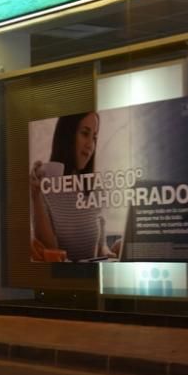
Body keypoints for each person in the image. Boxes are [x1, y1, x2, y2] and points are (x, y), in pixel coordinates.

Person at [30, 111, 120, 262]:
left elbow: (100, 246)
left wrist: (111, 252)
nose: (90, 144)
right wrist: (35, 195)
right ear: (67, 135)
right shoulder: (43, 186)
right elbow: (49, 251)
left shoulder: (96, 188)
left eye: (94, 137)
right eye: (85, 133)